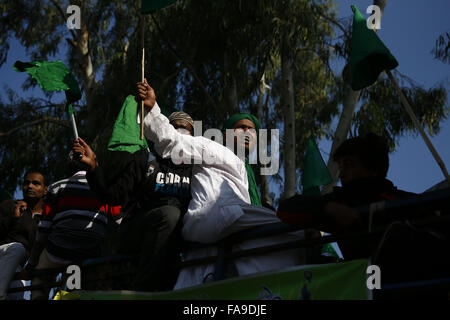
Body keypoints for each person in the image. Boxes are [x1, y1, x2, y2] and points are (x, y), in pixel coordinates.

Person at [137, 79, 306, 289]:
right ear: (224, 134)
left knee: (253, 259)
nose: (247, 133)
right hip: (217, 215)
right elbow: (173, 141)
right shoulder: (212, 148)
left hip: (222, 231)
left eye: (252, 130)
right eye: (241, 127)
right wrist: (152, 109)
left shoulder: (246, 173)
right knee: (298, 231)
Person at [74, 111, 195, 292]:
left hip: (176, 237)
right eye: (174, 127)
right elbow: (113, 196)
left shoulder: (198, 168)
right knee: (169, 214)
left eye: (185, 129)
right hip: (137, 230)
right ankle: (143, 292)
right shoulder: (147, 160)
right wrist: (93, 168)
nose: (179, 131)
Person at [21, 155, 121, 300]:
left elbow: (44, 229)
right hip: (91, 250)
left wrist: (31, 264)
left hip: (59, 249)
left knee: (40, 278)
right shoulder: (106, 189)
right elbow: (119, 221)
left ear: (69, 167)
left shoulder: (57, 186)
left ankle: (39, 297)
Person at [0, 199, 36, 300]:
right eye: (26, 182)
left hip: (17, 266)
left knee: (19, 286)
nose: (30, 186)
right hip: (3, 253)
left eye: (35, 183)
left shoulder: (45, 216)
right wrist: (13, 217)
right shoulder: (12, 204)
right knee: (17, 248)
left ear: (45, 190)